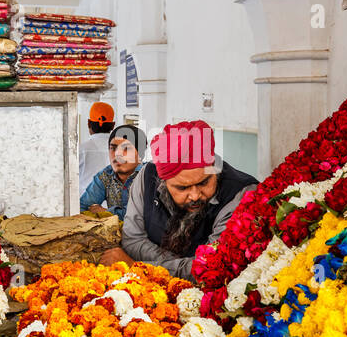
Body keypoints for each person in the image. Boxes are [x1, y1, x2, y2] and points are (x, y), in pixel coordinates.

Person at [102, 120, 257, 280]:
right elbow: (133, 240)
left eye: (204, 182)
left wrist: (142, 269)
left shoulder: (241, 195)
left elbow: (213, 267)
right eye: (183, 188)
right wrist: (181, 265)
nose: (195, 195)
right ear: (163, 182)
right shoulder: (146, 178)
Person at [80, 124, 146, 220]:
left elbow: (137, 216)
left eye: (126, 149)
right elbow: (83, 207)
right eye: (113, 148)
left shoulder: (148, 176)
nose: (117, 154)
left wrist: (105, 212)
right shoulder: (106, 175)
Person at [78, 102, 116, 189]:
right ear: (113, 125)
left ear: (88, 123)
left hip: (85, 202)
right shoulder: (123, 151)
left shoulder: (80, 150)